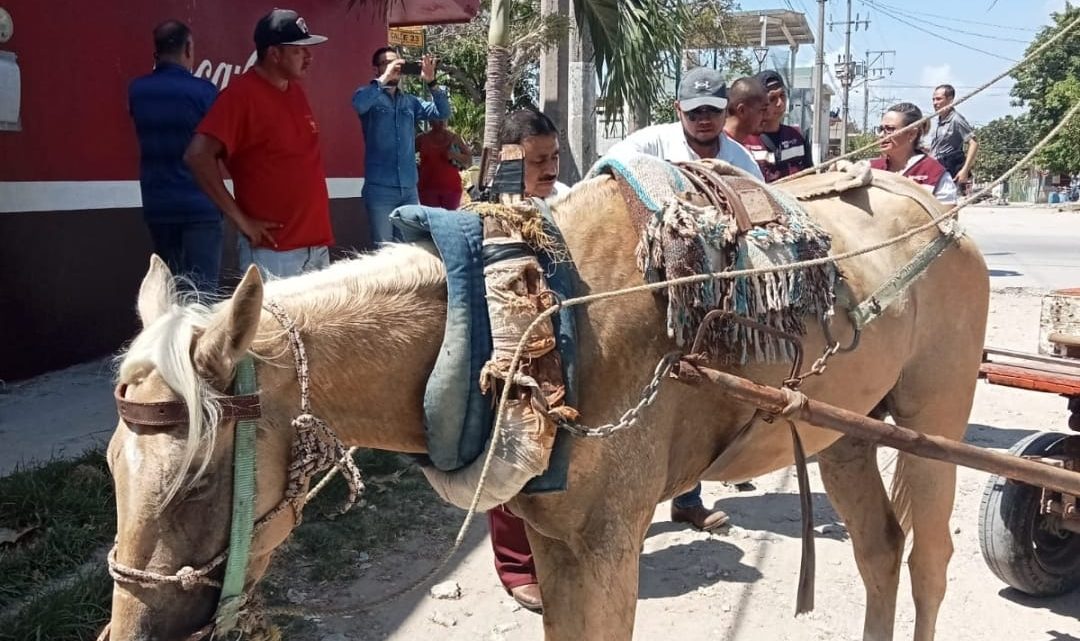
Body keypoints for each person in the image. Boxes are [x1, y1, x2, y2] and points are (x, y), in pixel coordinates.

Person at [485, 108, 568, 615]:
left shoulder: (567, 203)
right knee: (511, 450)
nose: (551, 167)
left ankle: (550, 550)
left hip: (561, 345)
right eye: (539, 160)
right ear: (513, 159)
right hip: (511, 354)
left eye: (555, 156)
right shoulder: (489, 212)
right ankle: (515, 567)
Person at [185, 9, 332, 279]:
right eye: (299, 50)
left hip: (316, 247)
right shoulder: (240, 95)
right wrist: (242, 221)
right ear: (274, 54)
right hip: (275, 254)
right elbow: (197, 155)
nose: (309, 57)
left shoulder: (295, 91)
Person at [128, 20, 221, 293]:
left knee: (171, 293)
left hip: (159, 207)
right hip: (200, 207)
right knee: (202, 295)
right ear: (188, 48)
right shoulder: (204, 92)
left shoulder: (138, 91)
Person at [353, 48, 451, 244]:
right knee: (383, 250)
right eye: (387, 63)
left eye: (397, 63)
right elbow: (359, 104)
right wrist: (384, 78)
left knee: (408, 249)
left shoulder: (410, 102)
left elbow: (443, 112)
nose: (395, 67)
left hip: (408, 189)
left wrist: (431, 81)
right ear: (376, 69)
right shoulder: (368, 95)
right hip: (380, 189)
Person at [607, 67, 764, 181]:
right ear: (678, 109)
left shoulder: (743, 162)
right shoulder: (654, 143)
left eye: (713, 110)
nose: (704, 120)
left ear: (726, 107)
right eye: (694, 112)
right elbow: (613, 161)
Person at [871, 102, 958, 204]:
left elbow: (948, 217)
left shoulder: (935, 174)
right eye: (880, 129)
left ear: (912, 134)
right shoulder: (870, 169)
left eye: (890, 129)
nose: (881, 135)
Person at [741, 70, 814, 183]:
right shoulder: (743, 141)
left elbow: (811, 178)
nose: (780, 103)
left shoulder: (798, 137)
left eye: (782, 95)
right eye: (772, 98)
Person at [929, 84, 979, 193]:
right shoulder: (936, 120)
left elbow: (974, 143)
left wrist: (965, 170)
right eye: (933, 99)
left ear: (950, 100)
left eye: (938, 99)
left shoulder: (956, 119)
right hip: (934, 166)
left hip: (947, 168)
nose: (935, 103)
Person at [416, 120, 472, 210]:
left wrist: (454, 155)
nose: (440, 122)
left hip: (452, 190)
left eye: (443, 118)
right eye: (436, 118)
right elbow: (406, 155)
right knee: (431, 221)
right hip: (427, 190)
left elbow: (469, 160)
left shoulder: (454, 138)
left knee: (449, 221)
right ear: (430, 120)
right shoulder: (421, 139)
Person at [722, 76, 768, 146]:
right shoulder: (716, 145)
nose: (766, 116)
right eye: (762, 110)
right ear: (742, 110)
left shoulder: (755, 144)